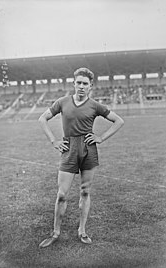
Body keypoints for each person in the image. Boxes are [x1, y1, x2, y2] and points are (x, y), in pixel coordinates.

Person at [38, 67, 124, 248]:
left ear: (90, 86)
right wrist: (53, 140)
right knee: (61, 195)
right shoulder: (62, 102)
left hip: (88, 150)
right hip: (68, 149)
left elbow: (118, 121)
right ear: (74, 83)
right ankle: (55, 232)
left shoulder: (94, 105)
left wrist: (100, 137)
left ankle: (82, 230)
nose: (81, 86)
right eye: (79, 83)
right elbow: (42, 119)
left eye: (85, 84)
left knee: (85, 191)